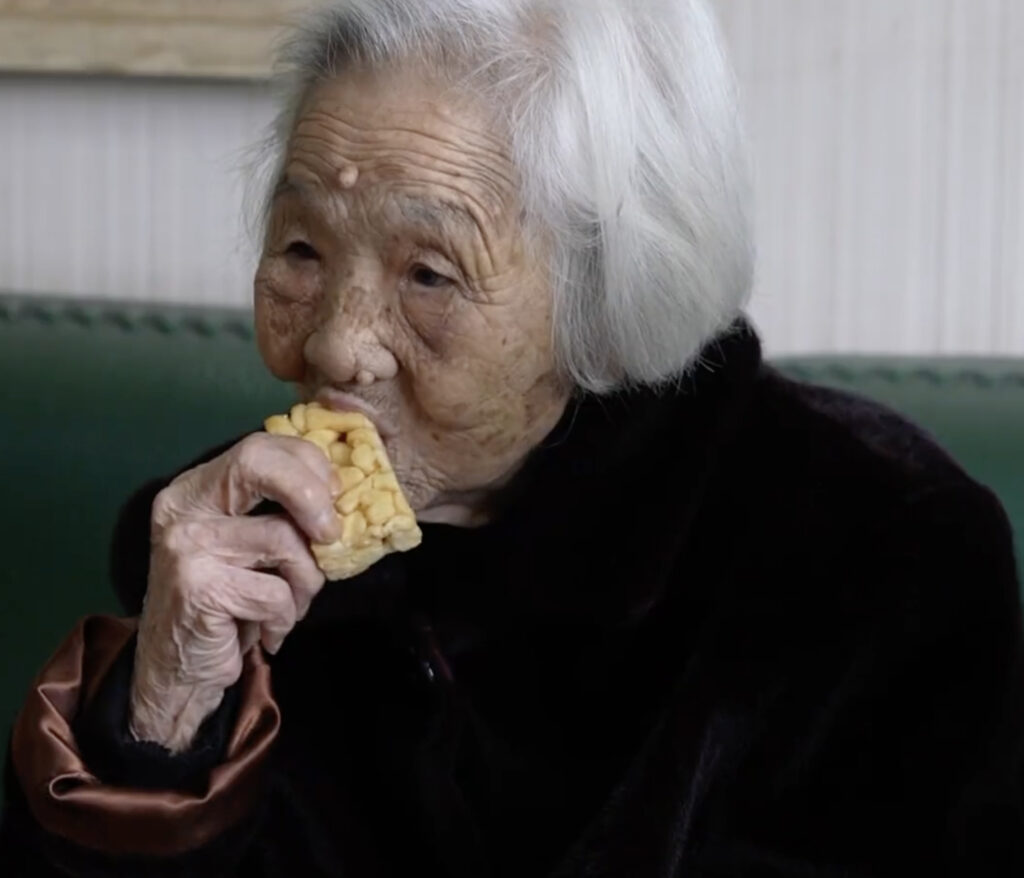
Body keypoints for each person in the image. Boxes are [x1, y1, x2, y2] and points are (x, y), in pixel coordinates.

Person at [3, 1, 1022, 875]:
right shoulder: (224, 542)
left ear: (609, 297)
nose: (335, 342)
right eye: (302, 247)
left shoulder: (875, 555)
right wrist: (167, 712)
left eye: (429, 273)